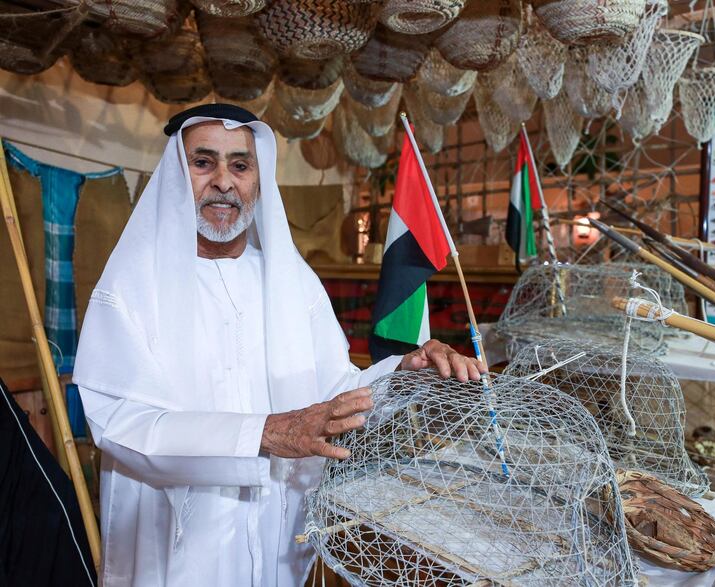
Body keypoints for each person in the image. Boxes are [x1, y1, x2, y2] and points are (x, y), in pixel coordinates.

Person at [73, 104, 484, 587]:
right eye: (204, 162)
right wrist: (264, 434)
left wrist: (405, 371)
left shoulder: (292, 281)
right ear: (174, 175)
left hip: (276, 536)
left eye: (241, 165)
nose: (225, 181)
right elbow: (121, 424)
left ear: (258, 180)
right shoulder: (130, 287)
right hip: (178, 545)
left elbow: (337, 390)